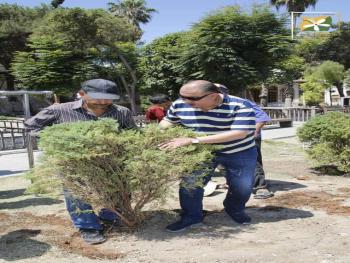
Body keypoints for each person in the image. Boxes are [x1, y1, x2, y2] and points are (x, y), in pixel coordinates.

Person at [25, 79, 137, 244]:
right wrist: (57, 139)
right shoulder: (59, 110)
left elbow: (132, 133)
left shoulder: (122, 111)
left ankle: (110, 216)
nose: (103, 102)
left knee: (116, 190)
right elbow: (30, 127)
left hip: (111, 163)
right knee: (76, 194)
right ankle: (88, 227)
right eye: (97, 98)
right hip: (72, 163)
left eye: (108, 98)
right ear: (82, 94)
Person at [158, 80, 257, 232]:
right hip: (200, 152)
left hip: (238, 151)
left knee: (242, 187)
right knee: (190, 184)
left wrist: (193, 140)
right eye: (183, 97)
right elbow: (168, 121)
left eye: (192, 99)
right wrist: (159, 132)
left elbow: (239, 133)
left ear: (213, 96)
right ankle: (191, 217)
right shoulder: (181, 104)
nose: (186, 102)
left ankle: (234, 209)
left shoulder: (241, 105)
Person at [214, 84, 274, 199]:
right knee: (223, 164)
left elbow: (262, 117)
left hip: (248, 137)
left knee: (252, 163)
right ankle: (233, 183)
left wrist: (253, 134)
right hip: (226, 139)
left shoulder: (242, 103)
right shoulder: (208, 105)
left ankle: (260, 188)